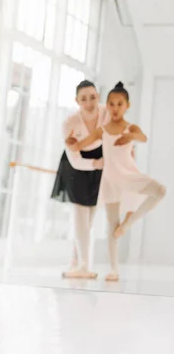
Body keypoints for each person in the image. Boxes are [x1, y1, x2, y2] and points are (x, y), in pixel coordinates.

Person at [69, 82, 166, 281]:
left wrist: (130, 136)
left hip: (128, 175)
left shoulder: (130, 127)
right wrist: (73, 144)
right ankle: (114, 270)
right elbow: (82, 145)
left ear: (127, 106)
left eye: (119, 104)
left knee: (160, 191)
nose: (115, 108)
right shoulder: (102, 130)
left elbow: (143, 137)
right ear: (107, 105)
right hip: (111, 180)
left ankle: (130, 222)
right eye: (111, 104)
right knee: (112, 225)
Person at [51, 80, 108, 279]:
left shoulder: (107, 114)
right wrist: (96, 164)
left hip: (100, 165)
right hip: (76, 168)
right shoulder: (69, 123)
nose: (89, 102)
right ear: (77, 101)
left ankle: (75, 263)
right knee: (80, 215)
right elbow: (75, 159)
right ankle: (84, 265)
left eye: (92, 97)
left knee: (89, 219)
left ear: (98, 97)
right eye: (84, 98)